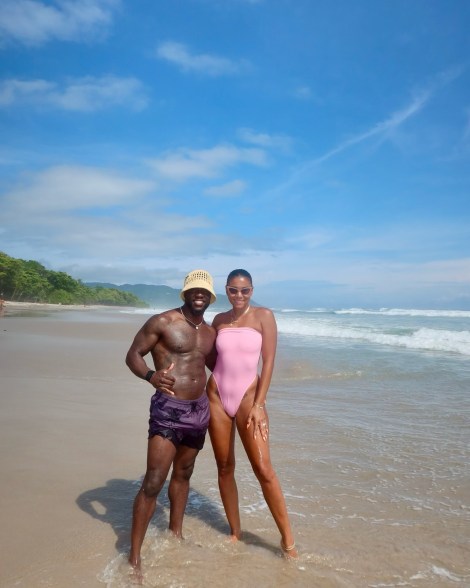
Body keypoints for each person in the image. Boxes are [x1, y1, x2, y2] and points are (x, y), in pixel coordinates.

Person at [125, 269, 217, 572]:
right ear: (187, 292)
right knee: (153, 481)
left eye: (205, 291)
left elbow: (218, 365)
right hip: (169, 408)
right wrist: (152, 376)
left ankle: (176, 534)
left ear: (210, 296)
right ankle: (134, 558)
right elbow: (133, 355)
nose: (199, 295)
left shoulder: (210, 332)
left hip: (199, 410)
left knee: (184, 473)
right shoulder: (163, 322)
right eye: (195, 290)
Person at [206, 269, 298, 559]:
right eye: (233, 290)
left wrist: (259, 404)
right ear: (226, 290)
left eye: (245, 290)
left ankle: (288, 542)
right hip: (217, 396)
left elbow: (269, 361)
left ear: (252, 290)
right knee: (224, 467)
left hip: (249, 398)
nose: (239, 296)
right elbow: (212, 358)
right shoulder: (219, 320)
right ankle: (235, 530)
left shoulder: (264, 316)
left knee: (264, 470)